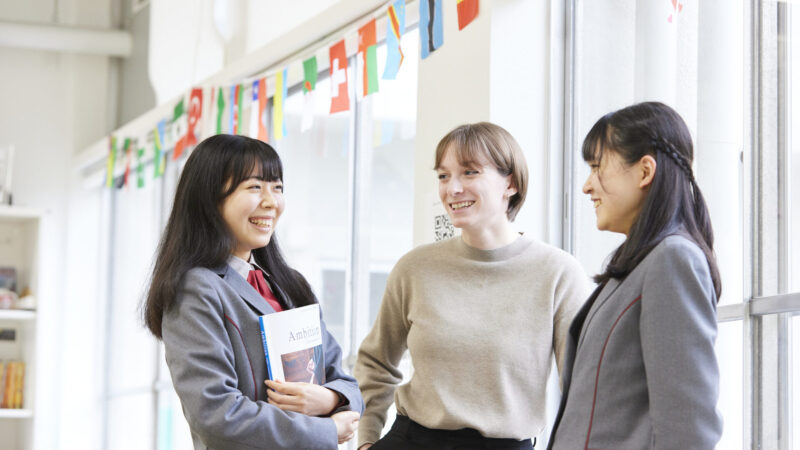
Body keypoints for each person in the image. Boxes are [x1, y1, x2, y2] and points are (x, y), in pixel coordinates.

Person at [354, 122, 591, 450]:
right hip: (410, 439)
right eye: (443, 175)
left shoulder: (558, 274)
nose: (452, 189)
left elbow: (583, 391)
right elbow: (375, 363)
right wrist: (366, 440)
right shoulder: (414, 268)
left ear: (510, 182)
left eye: (469, 172)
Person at [142, 134, 363, 450]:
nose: (272, 202)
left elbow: (344, 380)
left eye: (277, 187)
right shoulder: (196, 288)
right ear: (209, 198)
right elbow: (216, 413)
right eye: (254, 187)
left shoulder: (289, 284)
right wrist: (325, 430)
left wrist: (329, 398)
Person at [547, 102, 723, 449]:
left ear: (644, 172)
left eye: (597, 168)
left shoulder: (672, 260)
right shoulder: (640, 264)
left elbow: (688, 429)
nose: (586, 186)